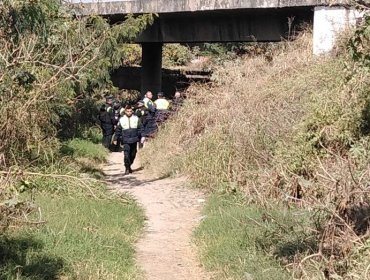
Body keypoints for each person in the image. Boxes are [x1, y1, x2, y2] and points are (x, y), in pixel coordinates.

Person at [114, 105, 143, 175]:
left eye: (130, 111)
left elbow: (141, 128)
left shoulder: (136, 118)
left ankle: (129, 165)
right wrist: (115, 138)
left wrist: (142, 136)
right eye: (128, 111)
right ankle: (127, 168)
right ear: (125, 111)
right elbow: (118, 130)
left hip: (134, 139)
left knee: (133, 154)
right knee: (126, 154)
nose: (129, 112)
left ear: (132, 111)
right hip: (126, 139)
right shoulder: (121, 119)